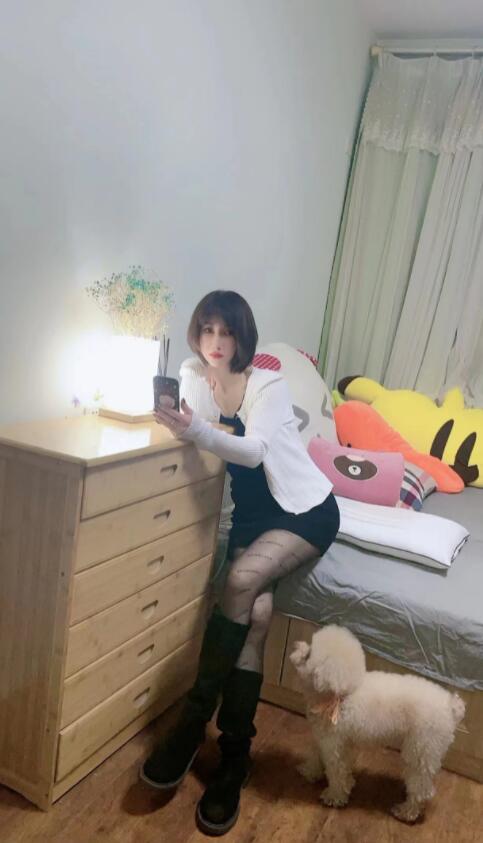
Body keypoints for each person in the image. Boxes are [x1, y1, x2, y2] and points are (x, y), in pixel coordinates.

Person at [140, 290, 340, 835]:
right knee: (256, 615)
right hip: (252, 519)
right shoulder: (194, 375)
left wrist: (195, 429)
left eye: (226, 332)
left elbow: (252, 450)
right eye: (207, 330)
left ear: (242, 337)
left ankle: (193, 720)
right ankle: (235, 755)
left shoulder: (267, 384)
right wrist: (179, 422)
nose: (216, 342)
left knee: (243, 577)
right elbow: (194, 428)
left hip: (303, 510)